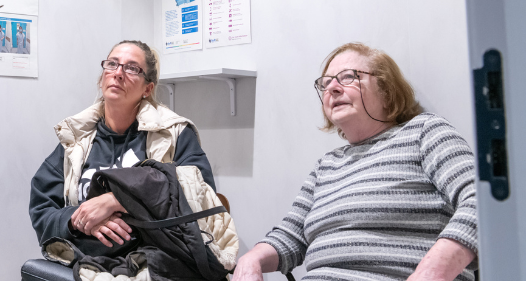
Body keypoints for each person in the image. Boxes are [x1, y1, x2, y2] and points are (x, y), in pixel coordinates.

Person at [232, 43, 478, 281]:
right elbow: (291, 236)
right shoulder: (326, 166)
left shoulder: (425, 132)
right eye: (325, 83)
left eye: (348, 77)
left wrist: (432, 272)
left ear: (386, 91)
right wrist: (249, 261)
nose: (333, 89)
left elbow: (480, 200)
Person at [29, 40, 216, 253]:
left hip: (154, 261)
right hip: (85, 258)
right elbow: (41, 209)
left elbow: (201, 192)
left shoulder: (174, 133)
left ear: (148, 88)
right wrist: (80, 220)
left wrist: (118, 200)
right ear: (102, 78)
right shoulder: (77, 139)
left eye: (131, 68)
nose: (118, 73)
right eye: (112, 64)